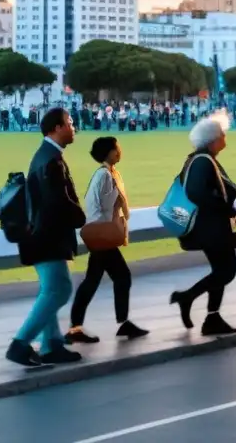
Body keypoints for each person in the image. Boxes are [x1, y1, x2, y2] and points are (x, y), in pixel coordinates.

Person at [6, 108, 86, 367]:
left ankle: (51, 345)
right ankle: (20, 344)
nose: (74, 127)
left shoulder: (46, 155)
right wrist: (79, 216)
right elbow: (56, 202)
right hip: (46, 237)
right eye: (70, 123)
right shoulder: (51, 160)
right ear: (56, 128)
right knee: (60, 290)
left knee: (51, 290)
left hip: (39, 236)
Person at [65, 137, 148, 344]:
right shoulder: (103, 175)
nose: (120, 151)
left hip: (103, 235)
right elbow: (100, 205)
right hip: (102, 235)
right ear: (108, 152)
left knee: (98, 280)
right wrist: (107, 228)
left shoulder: (109, 173)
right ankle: (81, 327)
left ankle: (83, 326)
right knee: (118, 278)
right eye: (116, 148)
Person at [169, 110, 236, 336]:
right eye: (222, 135)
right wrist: (229, 209)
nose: (225, 138)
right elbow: (196, 192)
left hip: (212, 227)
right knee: (227, 271)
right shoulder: (202, 161)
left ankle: (212, 318)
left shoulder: (203, 159)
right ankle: (187, 297)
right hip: (210, 229)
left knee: (220, 270)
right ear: (212, 139)